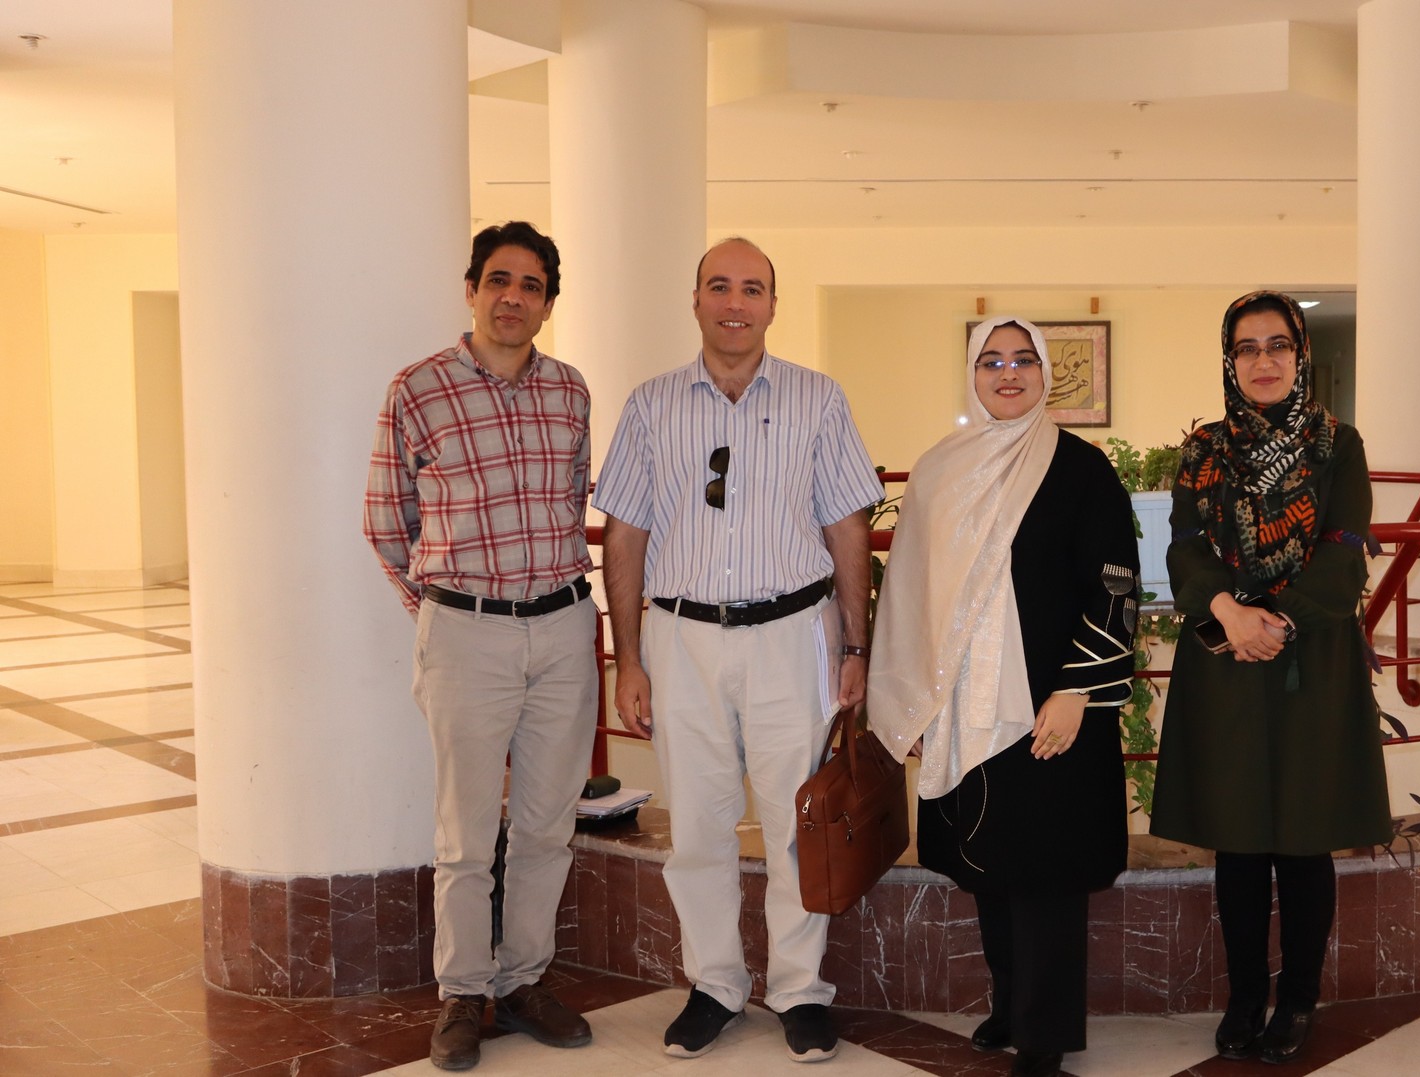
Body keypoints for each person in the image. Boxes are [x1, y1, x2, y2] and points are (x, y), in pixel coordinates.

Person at [594, 237, 884, 1064]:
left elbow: (848, 527)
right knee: (698, 826)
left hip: (794, 636)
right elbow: (624, 533)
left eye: (752, 288)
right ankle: (716, 984)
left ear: (772, 306)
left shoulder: (818, 399)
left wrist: (855, 644)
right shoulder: (651, 405)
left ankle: (799, 990)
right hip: (680, 639)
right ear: (695, 300)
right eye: (719, 286)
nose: (735, 302)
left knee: (799, 824)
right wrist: (628, 657)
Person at [868, 316, 1139, 1077]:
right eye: (991, 360)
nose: (1008, 372)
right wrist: (917, 699)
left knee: (1047, 869)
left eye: (1023, 359)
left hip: (1052, 708)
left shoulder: (1081, 469)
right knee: (990, 859)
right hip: (965, 702)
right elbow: (913, 593)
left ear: (1046, 373)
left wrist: (1077, 689)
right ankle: (1011, 1003)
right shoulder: (940, 469)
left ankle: (1044, 1035)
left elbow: (1116, 587)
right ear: (973, 375)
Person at [363, 221, 598, 1071]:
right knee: (465, 833)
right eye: (499, 279)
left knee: (546, 824)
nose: (513, 297)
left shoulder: (570, 390)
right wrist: (445, 614)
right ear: (472, 289)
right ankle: (463, 992)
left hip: (565, 628)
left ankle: (524, 980)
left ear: (547, 303)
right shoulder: (417, 388)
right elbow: (386, 523)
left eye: (531, 285)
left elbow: (573, 502)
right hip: (465, 632)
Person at [1148, 291, 1391, 1065]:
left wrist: (1277, 620)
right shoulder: (1202, 450)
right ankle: (1246, 994)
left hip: (1309, 659)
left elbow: (1345, 548)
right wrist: (1230, 610)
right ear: (1230, 360)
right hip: (1226, 658)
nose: (1263, 360)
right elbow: (1185, 545)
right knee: (1241, 840)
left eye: (1277, 344)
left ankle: (1299, 997)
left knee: (1303, 838)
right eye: (1247, 347)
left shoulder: (1337, 445)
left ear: (1300, 354)